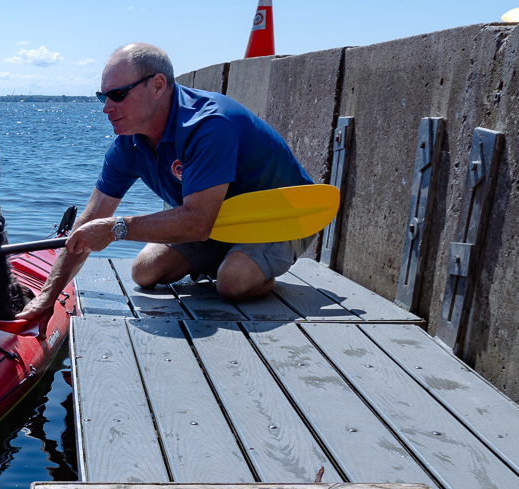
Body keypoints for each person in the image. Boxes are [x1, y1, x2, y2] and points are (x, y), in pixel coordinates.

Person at [16, 43, 312, 320]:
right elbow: (90, 221)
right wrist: (46, 297)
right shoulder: (127, 145)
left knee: (231, 283)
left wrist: (116, 228)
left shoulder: (209, 126)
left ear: (158, 86)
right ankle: (228, 257)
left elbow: (196, 222)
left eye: (117, 94)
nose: (106, 107)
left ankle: (252, 271)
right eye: (101, 96)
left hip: (280, 217)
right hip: (217, 222)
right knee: (143, 272)